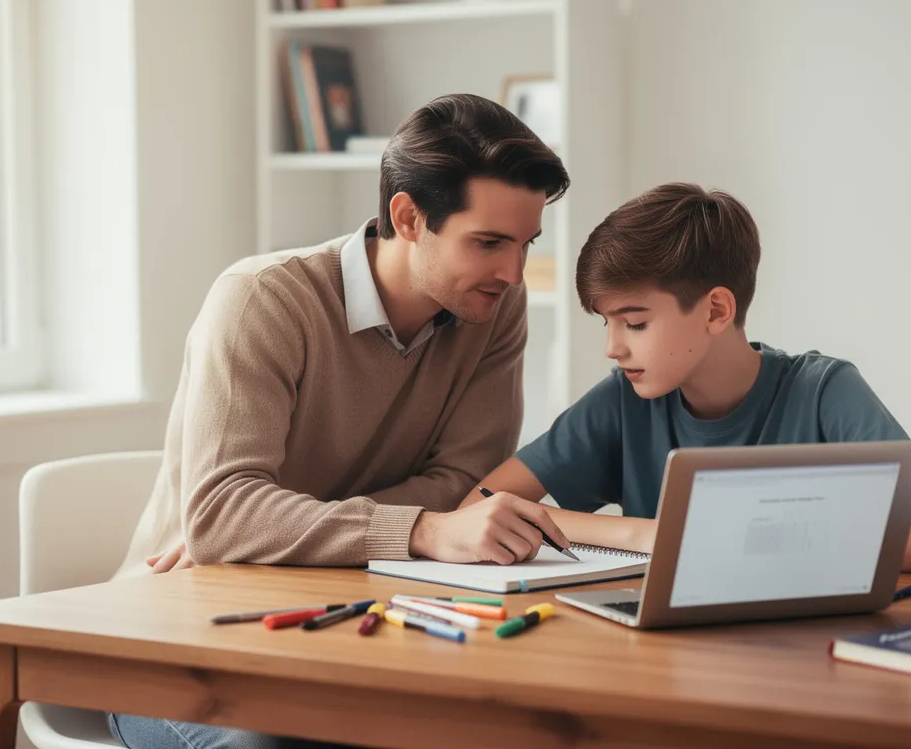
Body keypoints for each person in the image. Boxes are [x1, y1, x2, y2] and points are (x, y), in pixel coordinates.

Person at [104, 94, 574, 749]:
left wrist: (275, 529)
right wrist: (421, 529)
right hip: (176, 631)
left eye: (526, 244)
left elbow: (466, 485)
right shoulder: (264, 299)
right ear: (408, 218)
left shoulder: (492, 308)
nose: (513, 273)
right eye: (489, 242)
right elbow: (224, 515)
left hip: (346, 620)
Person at [454, 182, 911, 573]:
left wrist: (705, 536)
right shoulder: (624, 399)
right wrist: (649, 534)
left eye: (635, 323)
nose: (613, 347)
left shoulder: (823, 392)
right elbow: (479, 507)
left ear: (716, 310)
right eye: (606, 323)